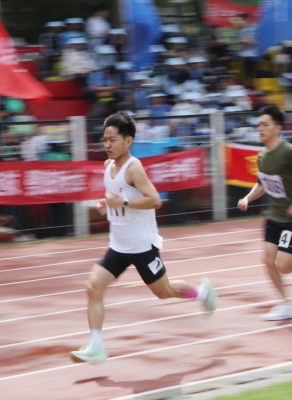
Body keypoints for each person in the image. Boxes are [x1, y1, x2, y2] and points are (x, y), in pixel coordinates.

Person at [70, 112, 218, 363]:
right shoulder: (107, 166)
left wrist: (123, 203)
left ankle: (203, 293)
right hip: (119, 245)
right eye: (104, 139)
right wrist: (107, 204)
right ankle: (96, 347)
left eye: (112, 140)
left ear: (128, 141)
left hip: (142, 246)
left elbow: (155, 200)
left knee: (164, 291)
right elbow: (117, 195)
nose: (107, 145)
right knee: (93, 287)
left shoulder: (134, 168)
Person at [237, 106, 292, 321]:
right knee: (268, 260)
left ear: (278, 128)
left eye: (265, 125)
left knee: (284, 266)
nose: (260, 128)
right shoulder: (262, 155)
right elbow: (261, 185)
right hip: (274, 216)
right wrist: (247, 198)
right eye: (259, 125)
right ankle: (286, 303)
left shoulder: (289, 152)